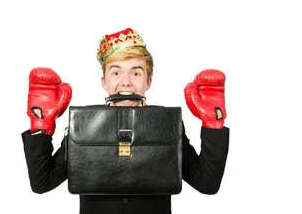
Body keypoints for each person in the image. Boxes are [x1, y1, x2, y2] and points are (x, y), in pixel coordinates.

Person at [22, 28, 230, 214]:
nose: (126, 81)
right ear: (104, 81)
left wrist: (213, 124)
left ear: (148, 81)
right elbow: (43, 182)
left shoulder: (166, 123)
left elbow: (207, 184)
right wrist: (41, 125)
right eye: (116, 72)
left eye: (136, 72)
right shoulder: (85, 123)